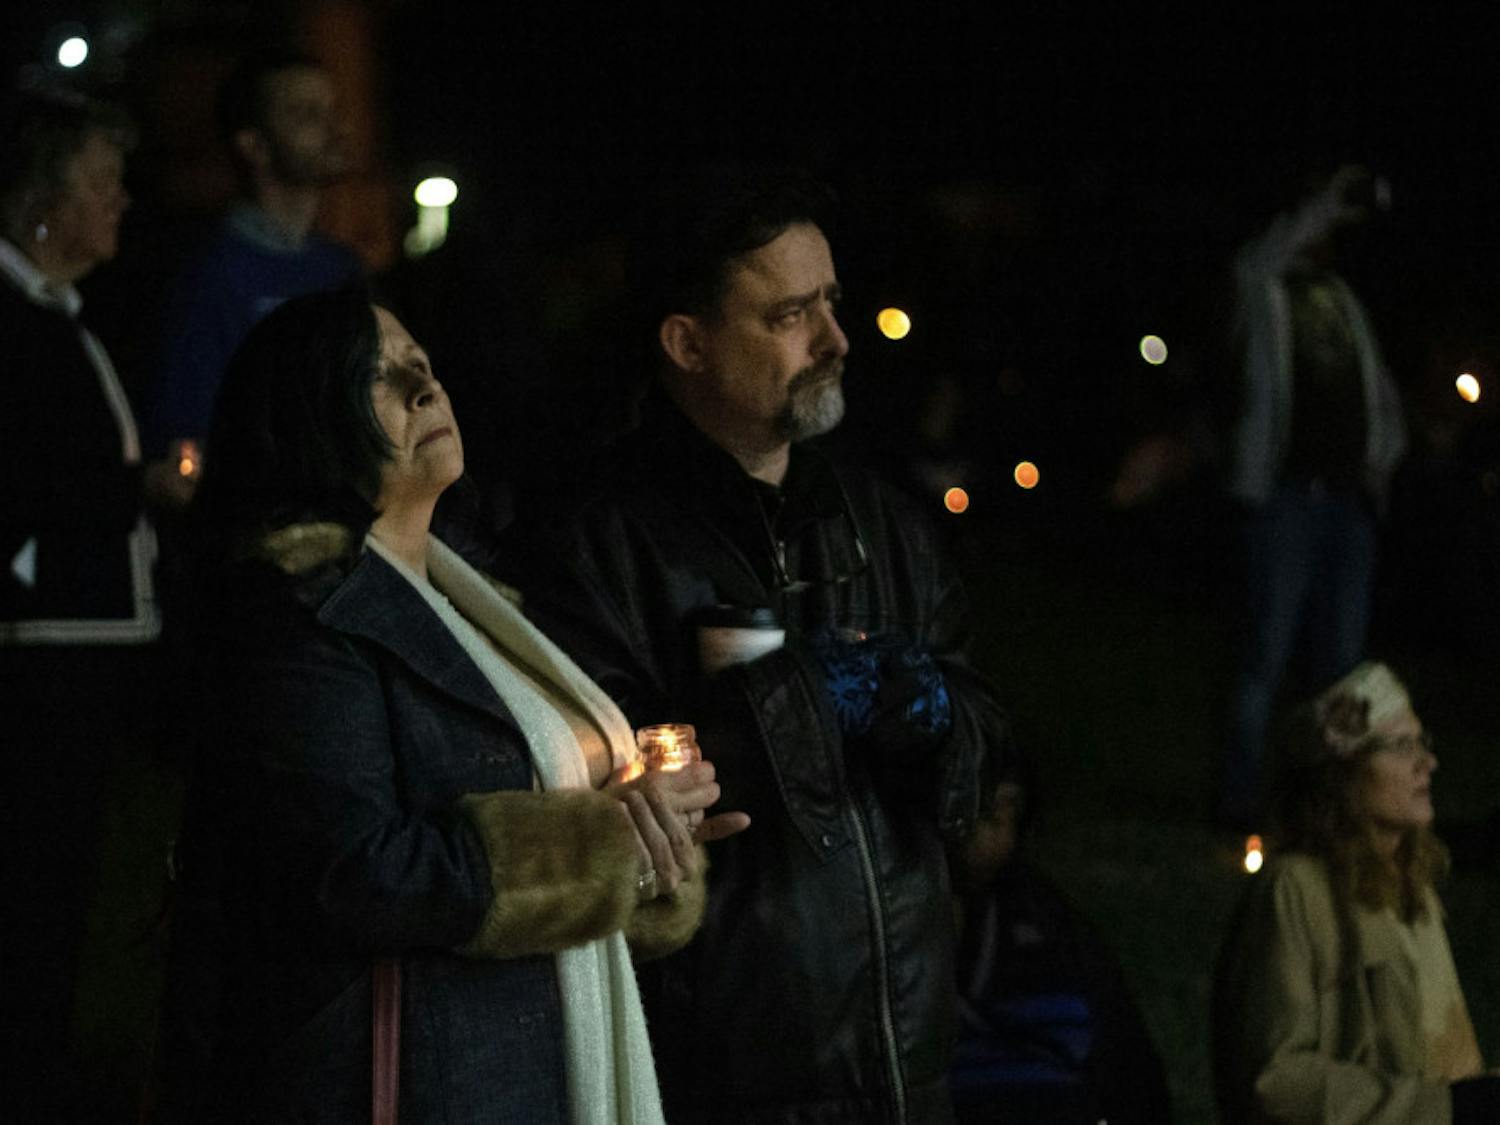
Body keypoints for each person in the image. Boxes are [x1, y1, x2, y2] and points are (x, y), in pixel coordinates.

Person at [154, 288, 747, 1123]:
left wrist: (653, 839)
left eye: (423, 368)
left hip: (524, 1060)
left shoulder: (477, 601)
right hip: (411, 1075)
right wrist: (602, 844)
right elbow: (349, 868)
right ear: (310, 416)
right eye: (382, 379)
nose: (425, 390)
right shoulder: (302, 618)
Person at [512, 169, 1014, 1122]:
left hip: (907, 1048)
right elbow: (612, 796)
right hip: (734, 1066)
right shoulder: (601, 541)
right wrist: (804, 696)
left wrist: (936, 715)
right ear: (687, 342)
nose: (835, 340)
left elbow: (983, 741)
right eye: (790, 314)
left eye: (832, 302)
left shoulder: (881, 521)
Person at [0, 85, 194, 1122]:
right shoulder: (17, 324)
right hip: (40, 653)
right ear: (41, 205)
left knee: (70, 885)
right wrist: (141, 485)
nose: (122, 201)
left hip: (83, 645)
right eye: (101, 183)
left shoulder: (55, 318)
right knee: (35, 885)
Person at [1213, 661, 1499, 1124]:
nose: (1427, 762)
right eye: (1401, 747)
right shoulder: (1294, 892)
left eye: (1422, 742)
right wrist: (1445, 1108)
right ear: (1344, 774)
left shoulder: (1411, 884)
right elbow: (1274, 1081)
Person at [1219, 163, 1408, 829]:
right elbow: (1265, 254)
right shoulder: (1262, 286)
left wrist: (1381, 463)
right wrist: (1331, 197)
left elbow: (1377, 392)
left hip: (1348, 507)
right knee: (1265, 657)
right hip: (1286, 501)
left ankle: (1325, 806)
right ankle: (1238, 798)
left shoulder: (1343, 298)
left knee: (1339, 671)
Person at [147, 48, 360, 465]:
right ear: (254, 145)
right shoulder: (210, 274)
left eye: (333, 110)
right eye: (306, 114)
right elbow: (184, 431)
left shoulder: (342, 267)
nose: (333, 128)